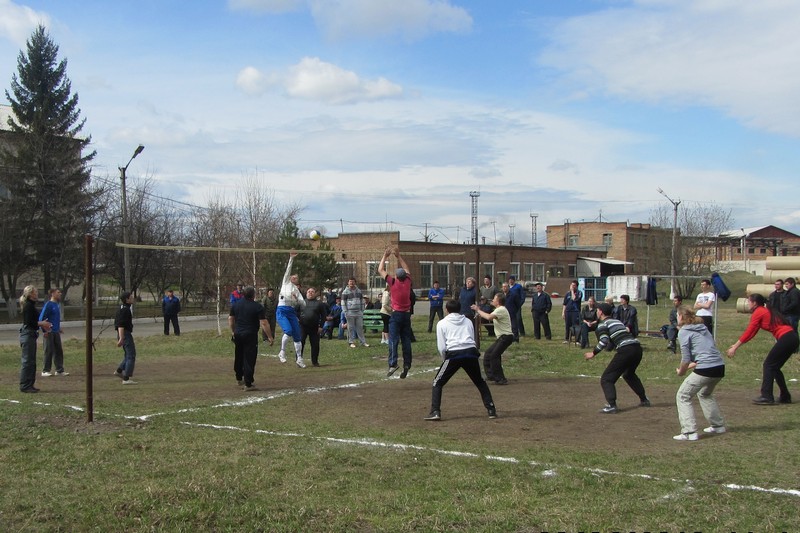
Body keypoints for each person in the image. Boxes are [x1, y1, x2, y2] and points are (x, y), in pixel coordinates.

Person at [424, 299, 497, 421]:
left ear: (446, 310)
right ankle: (491, 409)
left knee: (437, 382)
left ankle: (435, 411)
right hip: (471, 352)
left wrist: (444, 359)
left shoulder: (442, 323)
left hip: (454, 354)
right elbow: (472, 337)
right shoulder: (467, 321)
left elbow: (441, 346)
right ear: (460, 309)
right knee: (479, 381)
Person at [727, 293, 798, 405]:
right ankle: (785, 396)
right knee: (774, 367)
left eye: (749, 301)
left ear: (755, 303)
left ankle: (767, 396)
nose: (747, 303)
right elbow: (753, 332)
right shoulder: (764, 310)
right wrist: (737, 345)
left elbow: (749, 331)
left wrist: (735, 347)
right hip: (791, 337)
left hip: (787, 338)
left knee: (768, 365)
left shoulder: (759, 311)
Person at [584, 302, 650, 414]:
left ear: (600, 312)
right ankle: (644, 399)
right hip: (637, 348)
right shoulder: (617, 321)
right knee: (629, 374)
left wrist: (593, 353)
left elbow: (604, 341)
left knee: (607, 379)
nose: (596, 312)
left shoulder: (603, 324)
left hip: (626, 350)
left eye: (597, 310)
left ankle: (612, 405)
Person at [673, 306, 727, 441]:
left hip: (706, 368)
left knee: (683, 395)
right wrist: (689, 367)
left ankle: (689, 432)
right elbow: (705, 353)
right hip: (719, 367)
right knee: (704, 393)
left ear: (681, 317)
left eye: (677, 315)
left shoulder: (684, 332)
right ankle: (718, 426)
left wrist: (681, 372)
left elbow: (685, 359)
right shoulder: (703, 328)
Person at [378, 247, 413, 378]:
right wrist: (398, 256)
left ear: (397, 276)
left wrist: (385, 256)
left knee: (393, 339)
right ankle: (407, 363)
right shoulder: (408, 282)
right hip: (406, 315)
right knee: (406, 340)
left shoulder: (393, 283)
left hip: (397, 314)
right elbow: (407, 268)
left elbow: (380, 270)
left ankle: (393, 364)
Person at [229, 285, 271, 390]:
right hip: (250, 335)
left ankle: (239, 378)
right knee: (249, 358)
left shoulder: (236, 305)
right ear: (253, 294)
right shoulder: (257, 306)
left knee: (238, 355)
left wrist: (233, 331)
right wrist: (270, 336)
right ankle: (248, 383)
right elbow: (264, 323)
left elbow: (231, 319)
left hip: (238, 334)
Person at [472, 292, 513, 385]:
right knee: (488, 354)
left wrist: (478, 310)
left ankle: (501, 379)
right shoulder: (498, 309)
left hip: (506, 337)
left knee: (494, 356)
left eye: (494, 299)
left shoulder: (501, 309)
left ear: (498, 301)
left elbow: (488, 317)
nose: (492, 300)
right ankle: (491, 375)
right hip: (502, 337)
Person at [276, 251, 307, 368]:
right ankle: (282, 352)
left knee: (297, 336)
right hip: (282, 310)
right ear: (289, 278)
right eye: (293, 276)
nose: (294, 277)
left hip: (291, 311)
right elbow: (288, 270)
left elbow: (303, 304)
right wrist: (291, 259)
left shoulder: (297, 290)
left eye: (296, 277)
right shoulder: (285, 282)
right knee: (288, 331)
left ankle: (299, 358)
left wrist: (296, 299)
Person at [19, 286, 51, 393]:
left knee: (32, 361)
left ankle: (30, 385)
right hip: (27, 335)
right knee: (27, 361)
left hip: (32, 334)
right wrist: (42, 323)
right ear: (30, 294)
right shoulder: (28, 306)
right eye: (35, 292)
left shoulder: (32, 306)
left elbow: (35, 322)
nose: (37, 294)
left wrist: (44, 327)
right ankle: (24, 385)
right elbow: (29, 322)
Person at [39, 288, 68, 377]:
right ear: (52, 294)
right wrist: (45, 330)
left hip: (56, 332)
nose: (60, 294)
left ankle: (59, 370)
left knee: (58, 351)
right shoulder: (49, 305)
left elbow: (54, 319)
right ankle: (45, 370)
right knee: (48, 350)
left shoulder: (57, 305)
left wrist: (58, 328)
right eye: (58, 292)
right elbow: (41, 319)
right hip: (49, 332)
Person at [114, 291, 138, 384]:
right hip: (125, 334)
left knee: (128, 355)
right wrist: (121, 338)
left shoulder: (122, 308)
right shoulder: (125, 310)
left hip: (124, 334)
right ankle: (126, 378)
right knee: (131, 355)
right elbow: (120, 325)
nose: (132, 298)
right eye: (131, 297)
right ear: (127, 299)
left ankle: (119, 371)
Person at [300, 287, 327, 367]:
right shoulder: (301, 302)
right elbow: (295, 312)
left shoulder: (319, 303)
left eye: (312, 292)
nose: (310, 293)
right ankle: (299, 360)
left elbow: (324, 316)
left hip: (315, 327)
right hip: (302, 327)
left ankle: (315, 362)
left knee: (315, 345)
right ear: (306, 293)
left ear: (315, 294)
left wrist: (321, 326)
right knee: (300, 343)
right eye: (309, 291)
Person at [341, 277, 369, 348]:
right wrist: (345, 312)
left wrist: (362, 310)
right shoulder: (345, 292)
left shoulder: (359, 291)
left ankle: (363, 342)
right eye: (350, 282)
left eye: (353, 282)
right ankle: (351, 342)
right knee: (350, 328)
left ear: (355, 282)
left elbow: (362, 301)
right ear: (348, 283)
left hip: (358, 312)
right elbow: (343, 302)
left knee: (360, 327)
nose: (351, 283)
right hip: (350, 312)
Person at [507, 275, 526, 341]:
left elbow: (522, 296)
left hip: (517, 305)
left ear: (514, 280)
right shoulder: (508, 287)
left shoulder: (518, 287)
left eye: (512, 280)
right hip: (510, 306)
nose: (510, 281)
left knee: (518, 318)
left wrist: (520, 304)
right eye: (509, 280)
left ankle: (522, 331)